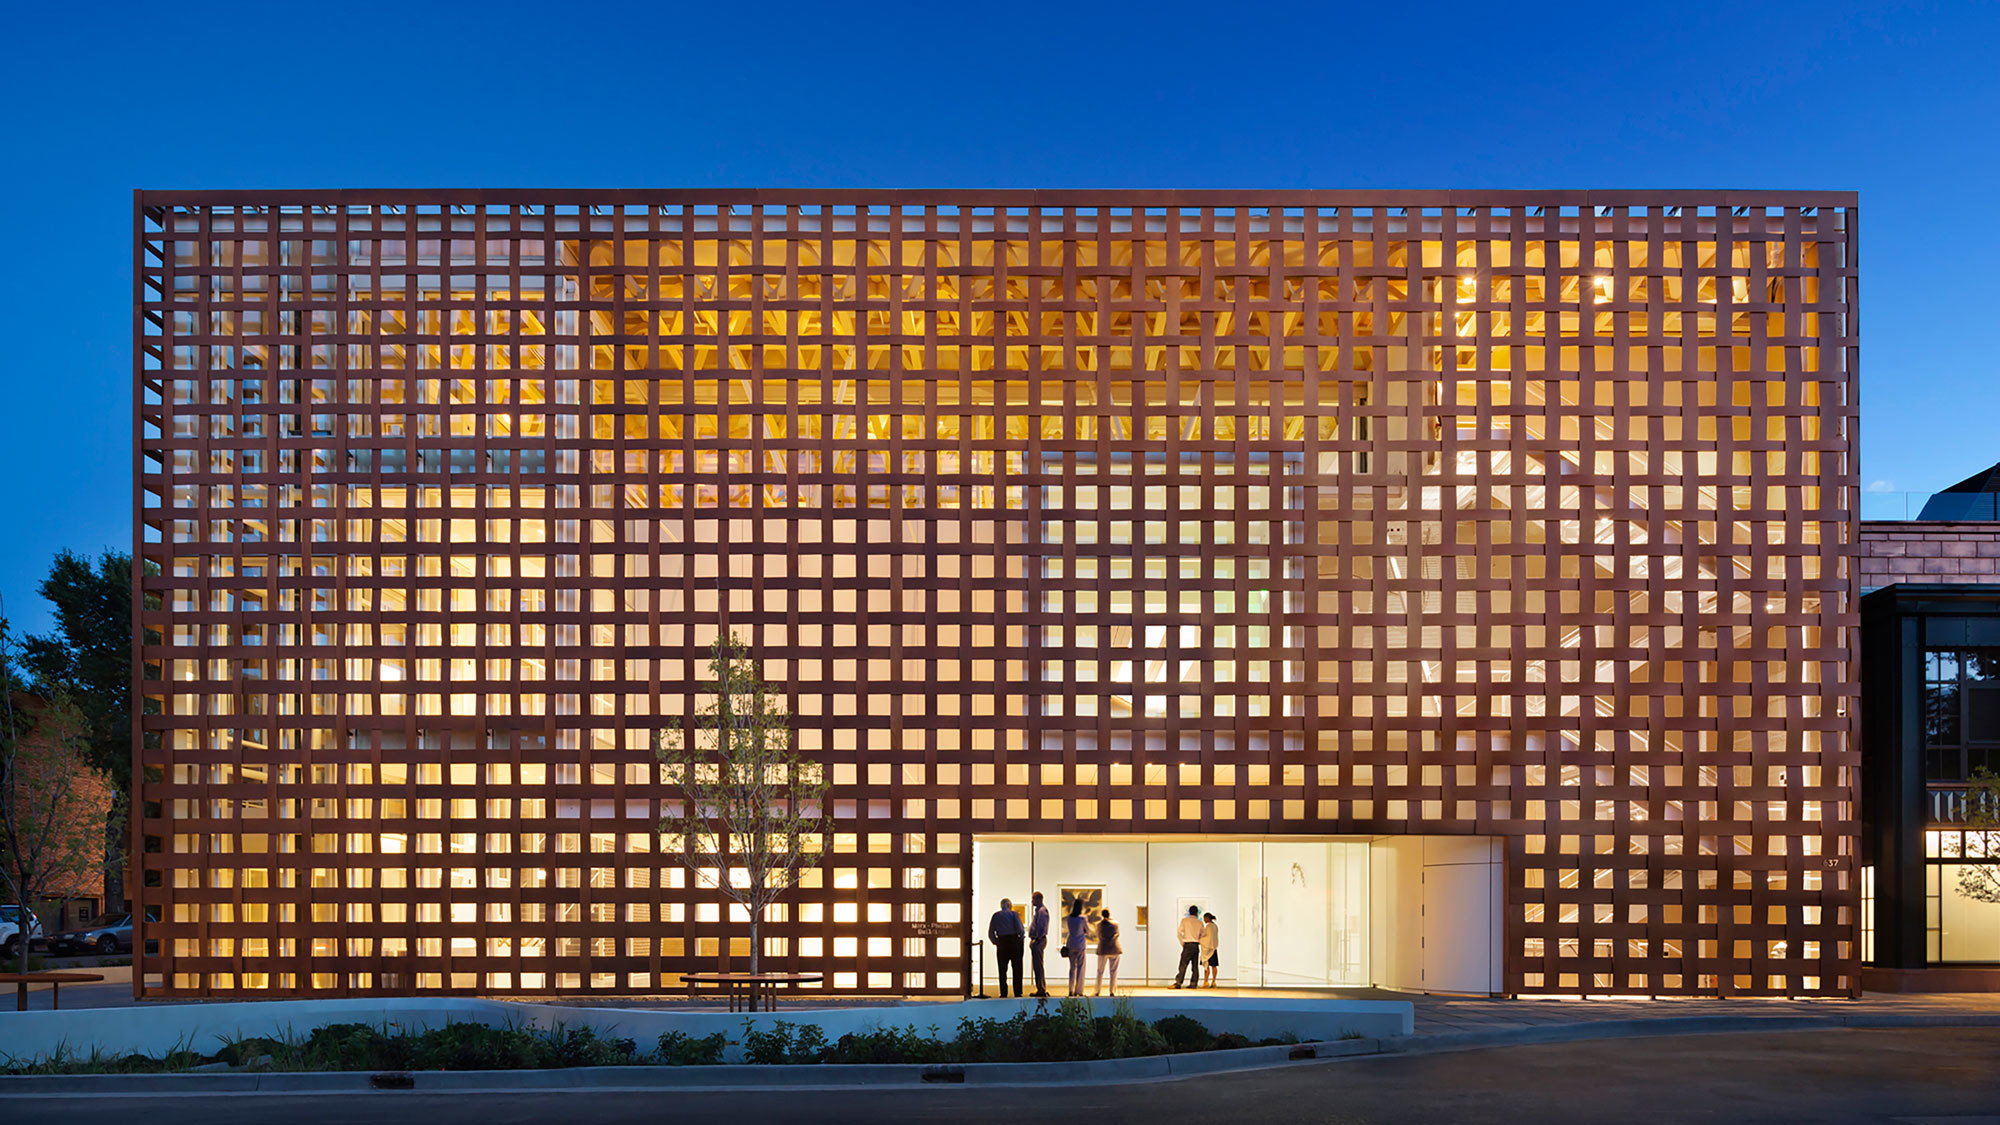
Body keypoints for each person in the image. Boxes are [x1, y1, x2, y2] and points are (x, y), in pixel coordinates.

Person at [988, 897, 1025, 998]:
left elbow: (991, 932)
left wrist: (996, 942)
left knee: (1002, 969)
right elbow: (1020, 930)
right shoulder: (1014, 914)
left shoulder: (996, 915)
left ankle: (1003, 992)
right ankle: (1018, 992)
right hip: (1013, 941)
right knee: (1017, 968)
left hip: (1002, 942)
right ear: (1009, 905)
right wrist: (1020, 940)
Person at [1172, 904, 1203, 988]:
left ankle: (1178, 983)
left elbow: (1179, 933)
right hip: (1195, 945)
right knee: (1195, 966)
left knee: (1183, 964)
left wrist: (1183, 943)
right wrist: (1198, 941)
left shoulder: (1184, 921)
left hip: (1187, 945)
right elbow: (1202, 935)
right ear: (1197, 913)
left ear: (1189, 912)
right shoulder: (1200, 922)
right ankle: (1194, 983)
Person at [1063, 896, 1089, 996]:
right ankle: (1079, 990)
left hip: (1071, 944)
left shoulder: (1070, 918)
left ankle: (1070, 989)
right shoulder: (1082, 918)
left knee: (1072, 968)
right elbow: (1088, 930)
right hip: (1080, 944)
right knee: (1080, 967)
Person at [1094, 908, 1123, 996]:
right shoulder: (1116, 924)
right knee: (1113, 971)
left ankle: (1097, 991)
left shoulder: (1099, 925)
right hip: (1114, 949)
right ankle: (1112, 991)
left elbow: (1098, 935)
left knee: (1100, 971)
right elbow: (1117, 934)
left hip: (1103, 949)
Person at [1027, 891, 1051, 998]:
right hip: (1037, 940)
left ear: (1038, 899)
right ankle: (1040, 988)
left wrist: (1036, 939)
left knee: (1038, 966)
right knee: (1037, 965)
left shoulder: (1042, 911)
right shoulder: (1039, 911)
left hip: (1039, 941)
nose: (1032, 901)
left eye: (1033, 899)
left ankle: (1041, 989)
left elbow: (1041, 927)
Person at [1200, 911, 1220, 988]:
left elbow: (1207, 938)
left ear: (1207, 918)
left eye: (1204, 918)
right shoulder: (1215, 926)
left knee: (1206, 965)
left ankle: (1206, 981)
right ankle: (1214, 981)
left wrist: (1200, 939)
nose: (1204, 920)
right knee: (1214, 966)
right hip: (1214, 948)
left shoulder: (1208, 926)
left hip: (1207, 949)